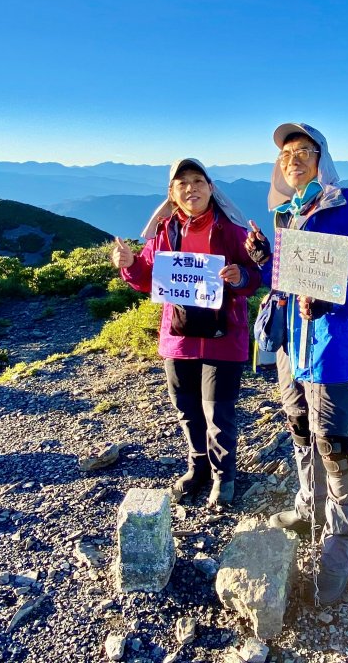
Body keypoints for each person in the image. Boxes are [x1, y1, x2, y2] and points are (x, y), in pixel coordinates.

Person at [245, 123, 348, 604]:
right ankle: (309, 506)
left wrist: (332, 297)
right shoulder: (287, 212)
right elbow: (285, 279)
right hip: (291, 341)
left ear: (322, 159)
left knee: (334, 439)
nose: (294, 159)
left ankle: (343, 551)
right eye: (287, 154)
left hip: (329, 343)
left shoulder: (346, 207)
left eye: (304, 151)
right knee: (299, 424)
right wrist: (264, 260)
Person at [112, 158, 261, 507]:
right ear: (172, 193)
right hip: (178, 339)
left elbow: (254, 277)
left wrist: (241, 277)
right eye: (182, 183)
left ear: (211, 188)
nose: (191, 188)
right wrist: (129, 264)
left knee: (218, 411)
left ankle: (224, 476)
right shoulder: (165, 231)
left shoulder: (233, 231)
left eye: (198, 181)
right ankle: (198, 469)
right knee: (187, 410)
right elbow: (147, 277)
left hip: (224, 337)